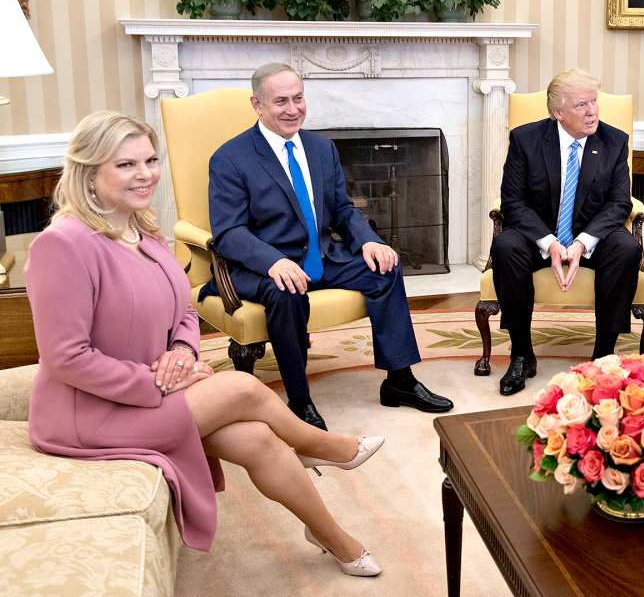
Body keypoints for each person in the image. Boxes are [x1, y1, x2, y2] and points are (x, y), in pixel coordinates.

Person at [26, 111, 385, 576]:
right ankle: (322, 446)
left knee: (258, 437)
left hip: (149, 390)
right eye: (126, 164)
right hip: (88, 413)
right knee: (242, 387)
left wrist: (184, 354)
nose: (145, 174)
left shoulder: (144, 231)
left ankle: (330, 534)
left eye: (151, 160)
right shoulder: (64, 244)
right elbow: (65, 358)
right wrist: (158, 383)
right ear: (89, 172)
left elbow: (184, 310)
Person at [204, 63, 453, 429]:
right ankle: (300, 400)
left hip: (320, 257)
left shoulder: (321, 148)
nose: (293, 109)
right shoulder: (230, 158)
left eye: (299, 98)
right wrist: (273, 261)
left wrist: (370, 241)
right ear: (257, 104)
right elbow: (228, 231)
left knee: (385, 269)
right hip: (265, 267)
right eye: (281, 101)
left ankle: (399, 380)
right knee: (284, 291)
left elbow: (341, 209)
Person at [491, 69, 641, 396]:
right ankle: (521, 353)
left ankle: (603, 355)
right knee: (505, 246)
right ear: (558, 113)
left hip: (590, 235)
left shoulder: (614, 142)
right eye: (581, 105)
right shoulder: (525, 140)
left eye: (594, 102)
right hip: (539, 236)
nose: (592, 112)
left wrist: (583, 243)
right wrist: (549, 242)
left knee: (626, 247)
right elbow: (512, 201)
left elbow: (619, 203)